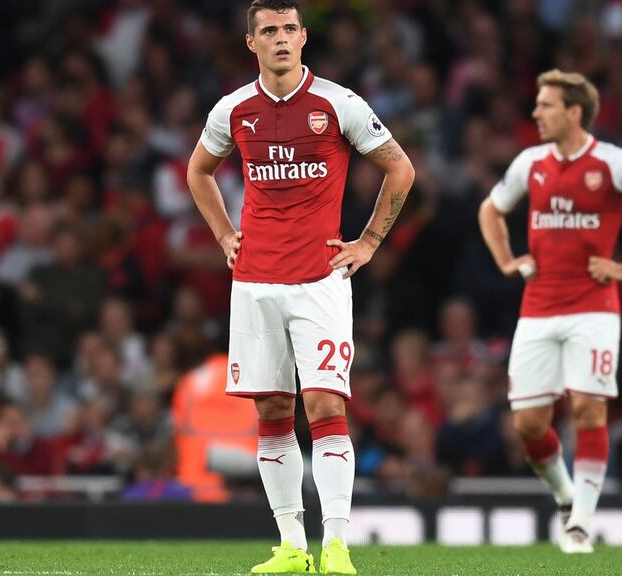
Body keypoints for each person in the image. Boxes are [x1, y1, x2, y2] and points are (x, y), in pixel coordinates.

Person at [186, 1, 415, 573]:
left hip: (320, 280)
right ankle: (291, 546)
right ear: (252, 43)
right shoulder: (234, 109)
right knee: (270, 410)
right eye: (269, 31)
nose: (281, 39)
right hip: (255, 282)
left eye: (289, 29)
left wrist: (367, 243)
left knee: (324, 403)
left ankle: (336, 546)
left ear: (304, 37)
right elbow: (198, 171)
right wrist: (223, 234)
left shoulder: (340, 104)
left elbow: (401, 168)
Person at [478, 69, 622, 554]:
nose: (536, 113)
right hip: (537, 309)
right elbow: (490, 210)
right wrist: (508, 260)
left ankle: (581, 525)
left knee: (589, 410)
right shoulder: (530, 163)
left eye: (546, 105)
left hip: (594, 308)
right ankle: (566, 496)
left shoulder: (614, 163)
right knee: (529, 425)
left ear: (574, 112)